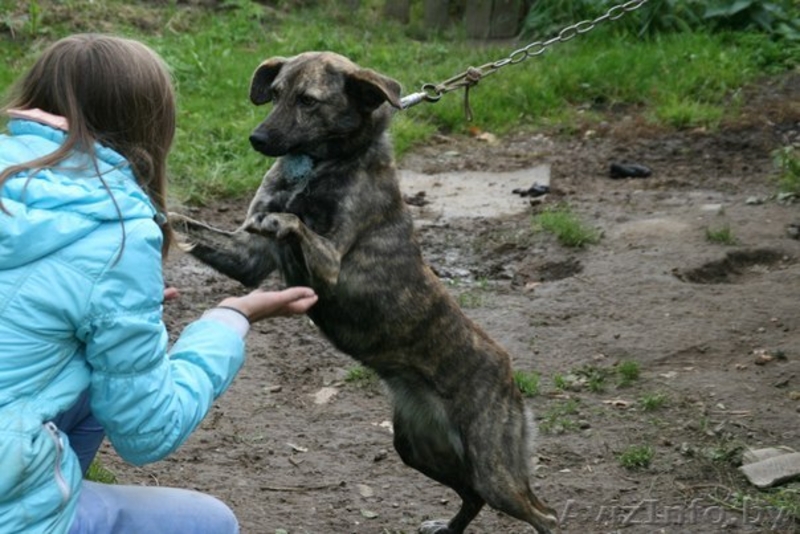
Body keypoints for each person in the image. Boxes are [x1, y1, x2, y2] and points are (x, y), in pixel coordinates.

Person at [0, 33, 318, 533]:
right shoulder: (115, 230)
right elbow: (148, 431)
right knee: (209, 523)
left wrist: (115, 316)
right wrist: (228, 319)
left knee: (92, 367)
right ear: (148, 126)